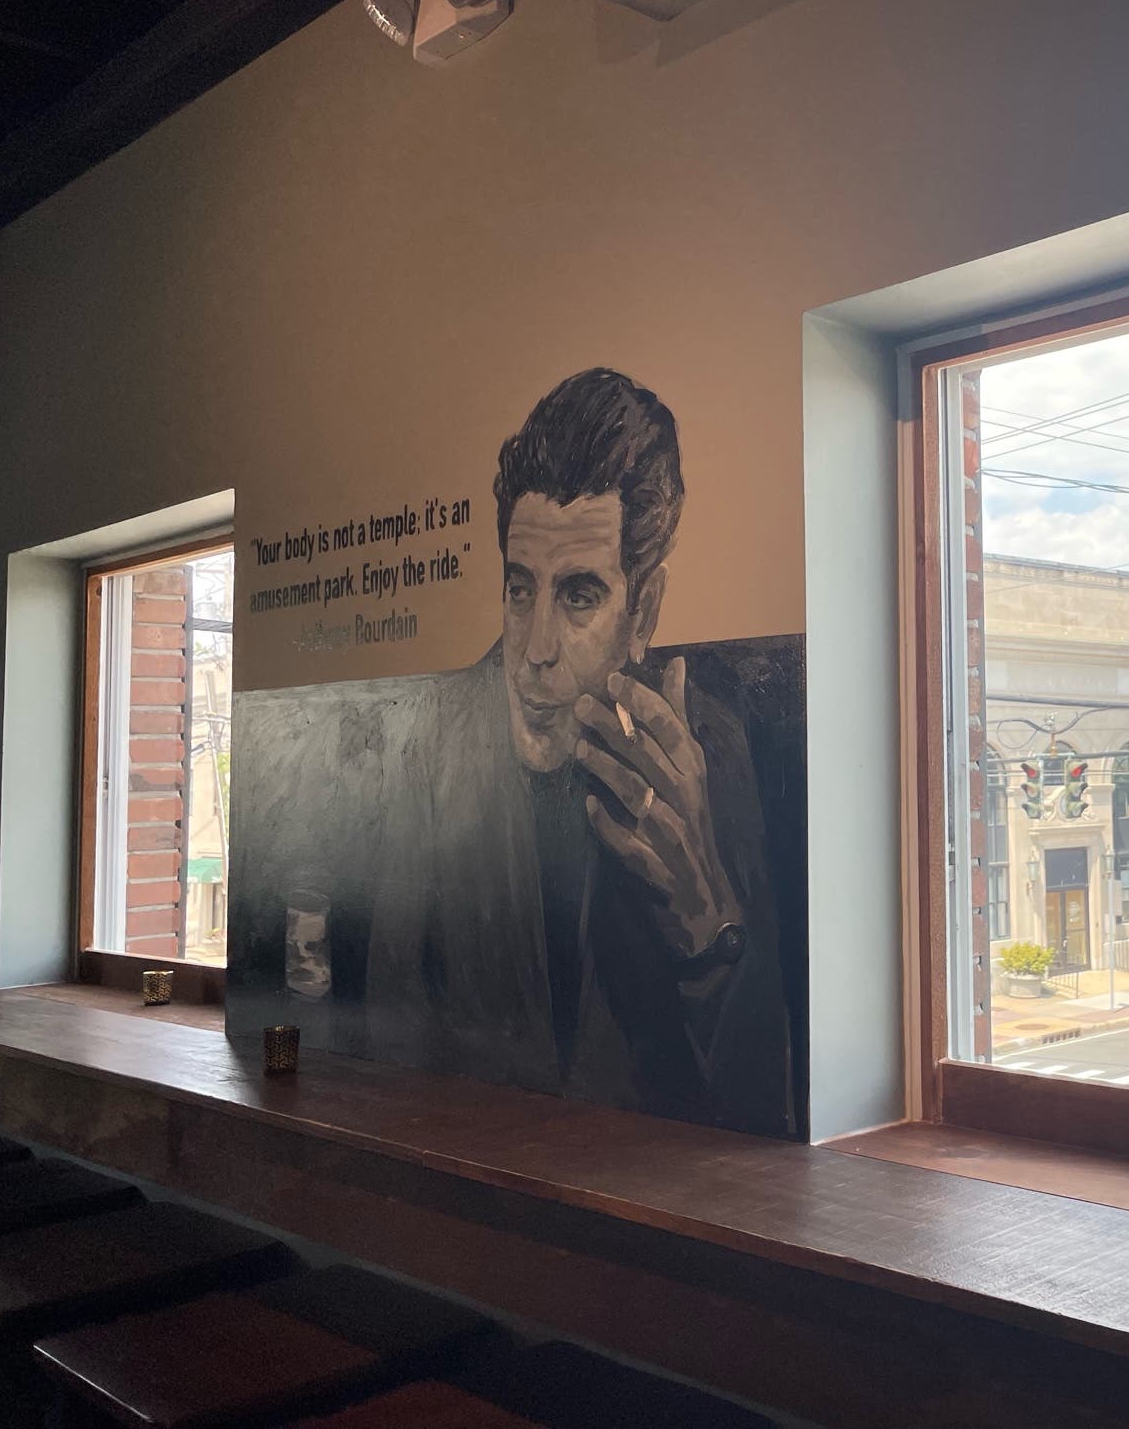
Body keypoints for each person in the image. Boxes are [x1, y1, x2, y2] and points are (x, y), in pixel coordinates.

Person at [234, 369, 794, 1135]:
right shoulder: (433, 742)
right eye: (521, 589)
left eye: (579, 596)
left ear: (644, 613)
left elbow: (765, 1102)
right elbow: (393, 1033)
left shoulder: (707, 751)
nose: (535, 649)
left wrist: (709, 921)